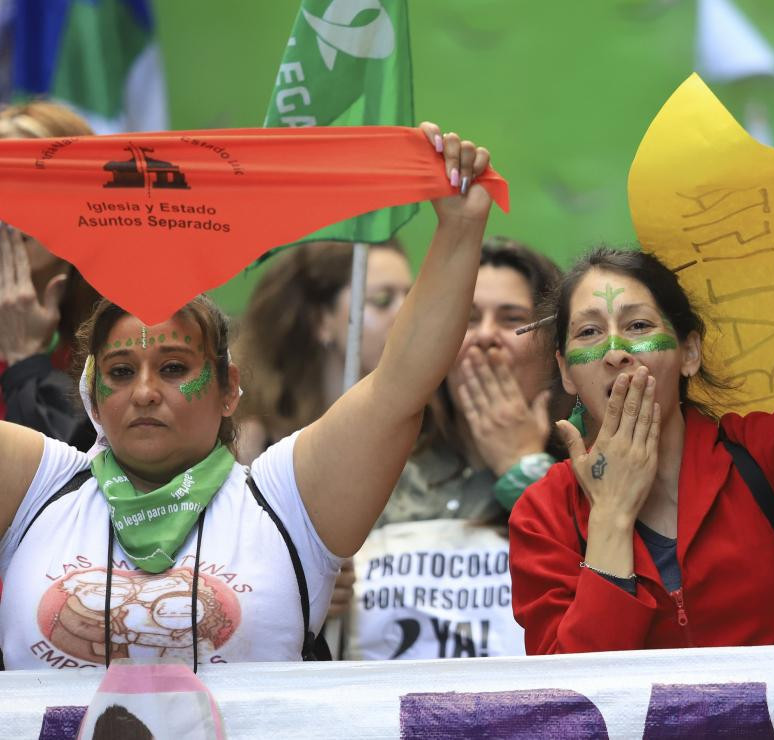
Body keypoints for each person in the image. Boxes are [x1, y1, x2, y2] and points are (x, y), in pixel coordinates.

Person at [0, 123, 498, 669]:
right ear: (90, 393)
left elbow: (401, 386)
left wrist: (461, 225)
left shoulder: (287, 501)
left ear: (229, 389)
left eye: (172, 368)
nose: (143, 392)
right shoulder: (36, 486)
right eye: (120, 372)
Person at [508, 137, 774, 654]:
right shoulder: (544, 512)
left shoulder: (756, 455)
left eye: (637, 325)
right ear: (565, 372)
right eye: (588, 333)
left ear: (690, 353)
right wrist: (610, 515)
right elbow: (574, 700)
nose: (615, 352)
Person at [344, 238, 566, 660]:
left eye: (512, 319)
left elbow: (594, 596)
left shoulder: (592, 463)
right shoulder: (379, 464)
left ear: (555, 349)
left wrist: (524, 470)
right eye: (467, 318)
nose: (484, 337)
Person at [233, 239, 413, 465]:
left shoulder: (414, 432)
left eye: (412, 299)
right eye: (381, 300)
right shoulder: (253, 447)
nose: (406, 315)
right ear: (320, 319)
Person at [0, 101, 103, 448]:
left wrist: (24, 360)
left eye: (34, 183)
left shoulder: (125, 325)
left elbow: (75, 480)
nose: (11, 206)